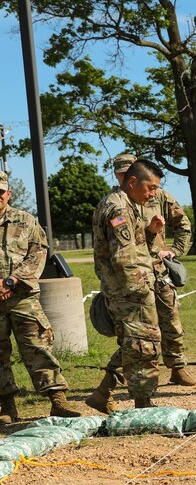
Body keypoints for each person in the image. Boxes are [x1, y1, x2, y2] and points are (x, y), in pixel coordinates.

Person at [110, 153, 196, 388]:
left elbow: (183, 224)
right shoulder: (116, 204)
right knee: (138, 331)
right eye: (120, 173)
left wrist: (175, 251)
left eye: (127, 171)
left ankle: (177, 368)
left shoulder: (157, 195)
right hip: (135, 277)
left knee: (171, 321)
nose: (123, 177)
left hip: (158, 271)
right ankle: (122, 377)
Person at [0, 171, 81, 422]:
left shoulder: (25, 220)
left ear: (8, 193)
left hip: (23, 296)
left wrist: (12, 280)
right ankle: (6, 407)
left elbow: (38, 254)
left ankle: (57, 400)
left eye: (0, 192)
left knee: (38, 347)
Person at [87, 160, 164, 411]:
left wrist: (150, 231)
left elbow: (135, 245)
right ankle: (142, 403)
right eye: (150, 187)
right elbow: (123, 258)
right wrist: (141, 289)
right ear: (133, 182)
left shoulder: (126, 205)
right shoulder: (118, 208)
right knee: (142, 343)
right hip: (129, 291)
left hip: (126, 288)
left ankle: (103, 392)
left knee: (132, 343)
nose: (153, 194)